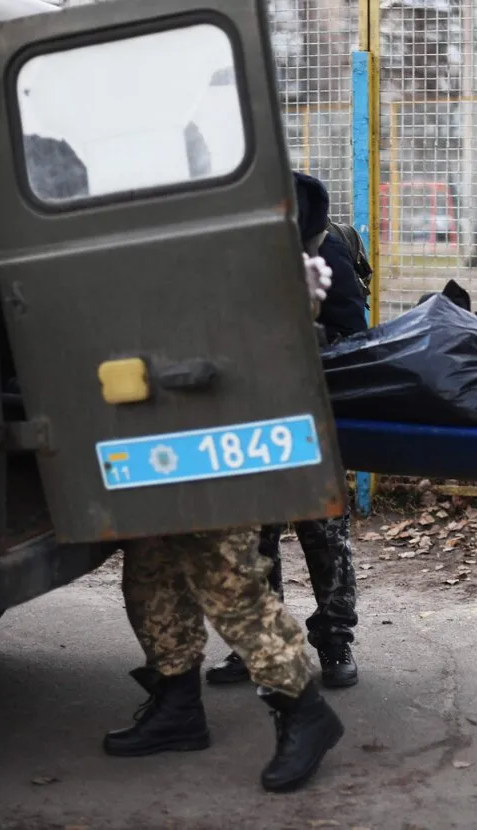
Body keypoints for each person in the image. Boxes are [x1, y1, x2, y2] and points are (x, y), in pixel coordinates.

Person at [103, 254, 346, 794]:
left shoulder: (214, 210)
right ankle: (178, 705)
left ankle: (303, 711)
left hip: (213, 414)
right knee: (150, 567)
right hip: (146, 410)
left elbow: (269, 312)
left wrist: (296, 289)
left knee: (225, 574)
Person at [207, 171, 367, 689]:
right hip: (255, 417)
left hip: (314, 418)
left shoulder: (326, 252)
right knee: (258, 539)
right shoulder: (242, 241)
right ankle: (261, 644)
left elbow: (351, 343)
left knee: (325, 537)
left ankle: (335, 641)